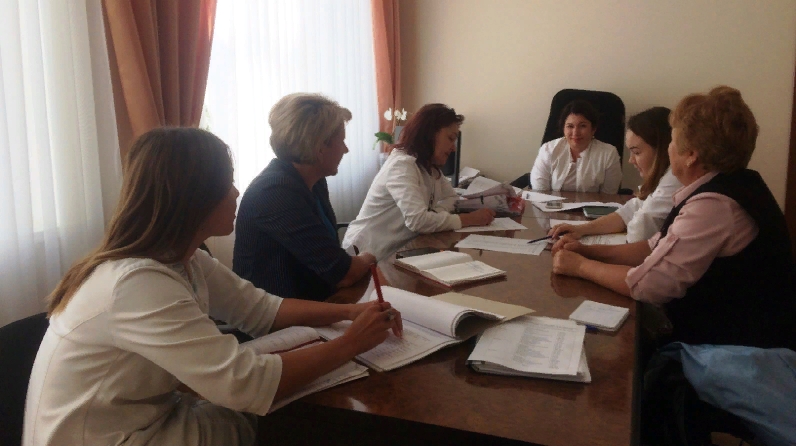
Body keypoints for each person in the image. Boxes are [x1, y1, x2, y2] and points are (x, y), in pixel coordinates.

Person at [23, 128, 402, 446]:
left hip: (147, 417)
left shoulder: (184, 258)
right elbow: (244, 383)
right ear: (193, 195)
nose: (236, 193)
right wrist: (350, 344)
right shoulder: (136, 284)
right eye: (226, 183)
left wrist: (350, 312)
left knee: (293, 414)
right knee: (296, 422)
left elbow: (262, 309)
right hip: (112, 438)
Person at [551, 86, 796, 350]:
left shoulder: (714, 205)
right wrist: (588, 251)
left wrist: (580, 267)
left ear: (690, 155)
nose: (667, 149)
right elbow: (654, 246)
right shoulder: (728, 185)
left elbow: (649, 286)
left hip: (734, 350)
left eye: (672, 141)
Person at [233, 93, 376, 301]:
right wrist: (368, 257)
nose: (346, 149)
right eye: (342, 141)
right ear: (320, 147)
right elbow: (342, 273)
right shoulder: (275, 191)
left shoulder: (314, 181)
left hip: (311, 301)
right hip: (273, 314)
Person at [342, 104, 496, 261]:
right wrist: (468, 219)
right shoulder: (402, 165)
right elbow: (418, 221)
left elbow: (452, 199)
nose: (453, 148)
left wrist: (433, 213)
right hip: (366, 255)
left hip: (399, 251)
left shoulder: (429, 167)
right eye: (450, 138)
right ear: (429, 134)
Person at [549, 107, 682, 243]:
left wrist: (583, 251)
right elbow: (629, 211)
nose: (631, 160)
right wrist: (581, 229)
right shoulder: (661, 179)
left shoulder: (674, 180)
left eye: (636, 152)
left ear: (662, 150)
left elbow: (638, 234)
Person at [530, 99, 623, 193]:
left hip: (594, 203)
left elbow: (609, 195)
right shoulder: (548, 150)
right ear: (563, 129)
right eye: (570, 126)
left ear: (593, 129)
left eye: (582, 126)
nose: (575, 133)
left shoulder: (609, 154)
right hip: (552, 202)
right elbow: (540, 191)